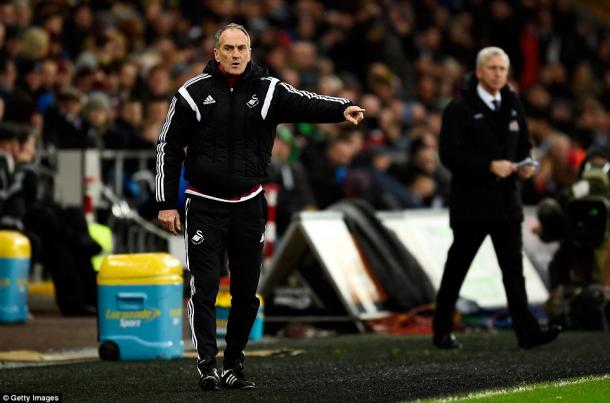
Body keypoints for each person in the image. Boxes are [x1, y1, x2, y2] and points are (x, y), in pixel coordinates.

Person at [155, 23, 364, 391]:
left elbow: (305, 102)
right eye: (228, 48)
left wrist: (341, 109)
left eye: (242, 48)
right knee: (203, 287)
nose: (235, 54)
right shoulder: (191, 94)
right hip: (203, 203)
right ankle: (206, 365)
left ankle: (234, 363)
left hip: (249, 203)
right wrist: (166, 202)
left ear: (250, 52)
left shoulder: (269, 91)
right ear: (215, 52)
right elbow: (167, 148)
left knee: (247, 292)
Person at [432, 47, 560, 350]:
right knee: (457, 269)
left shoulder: (513, 102)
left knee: (514, 273)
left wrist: (526, 165)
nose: (498, 74)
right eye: (492, 68)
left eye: (502, 69)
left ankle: (525, 332)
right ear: (479, 71)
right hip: (471, 206)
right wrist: (488, 165)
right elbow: (448, 155)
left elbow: (523, 146)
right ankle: (440, 329)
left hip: (507, 204)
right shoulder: (459, 108)